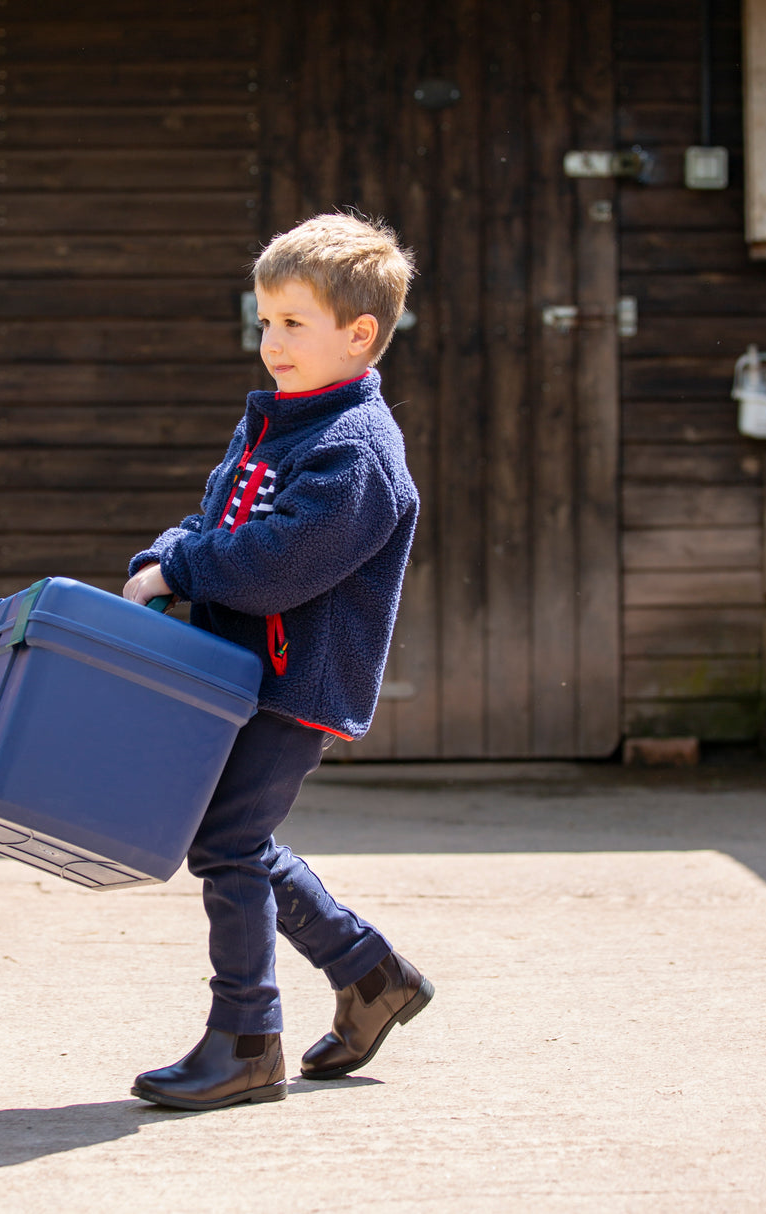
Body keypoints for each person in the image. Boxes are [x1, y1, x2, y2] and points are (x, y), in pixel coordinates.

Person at [122, 212, 432, 1111]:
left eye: (293, 324)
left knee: (224, 842)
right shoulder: (278, 423)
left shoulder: (356, 453)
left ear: (359, 334)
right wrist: (166, 552)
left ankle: (247, 1040)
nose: (272, 343)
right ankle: (369, 974)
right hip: (237, 670)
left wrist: (181, 568)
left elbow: (276, 563)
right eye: (265, 322)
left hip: (296, 682)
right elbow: (221, 520)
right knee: (228, 838)